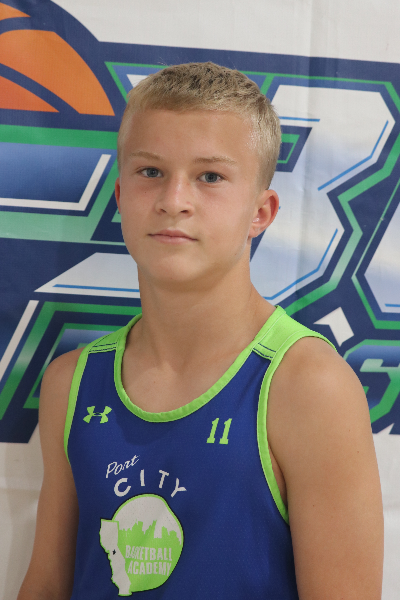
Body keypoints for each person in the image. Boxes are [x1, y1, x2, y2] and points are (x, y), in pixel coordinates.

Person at [18, 62, 383, 600]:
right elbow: (47, 585)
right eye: (150, 171)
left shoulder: (308, 385)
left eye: (210, 177)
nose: (174, 200)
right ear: (119, 197)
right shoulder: (70, 382)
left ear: (261, 211)